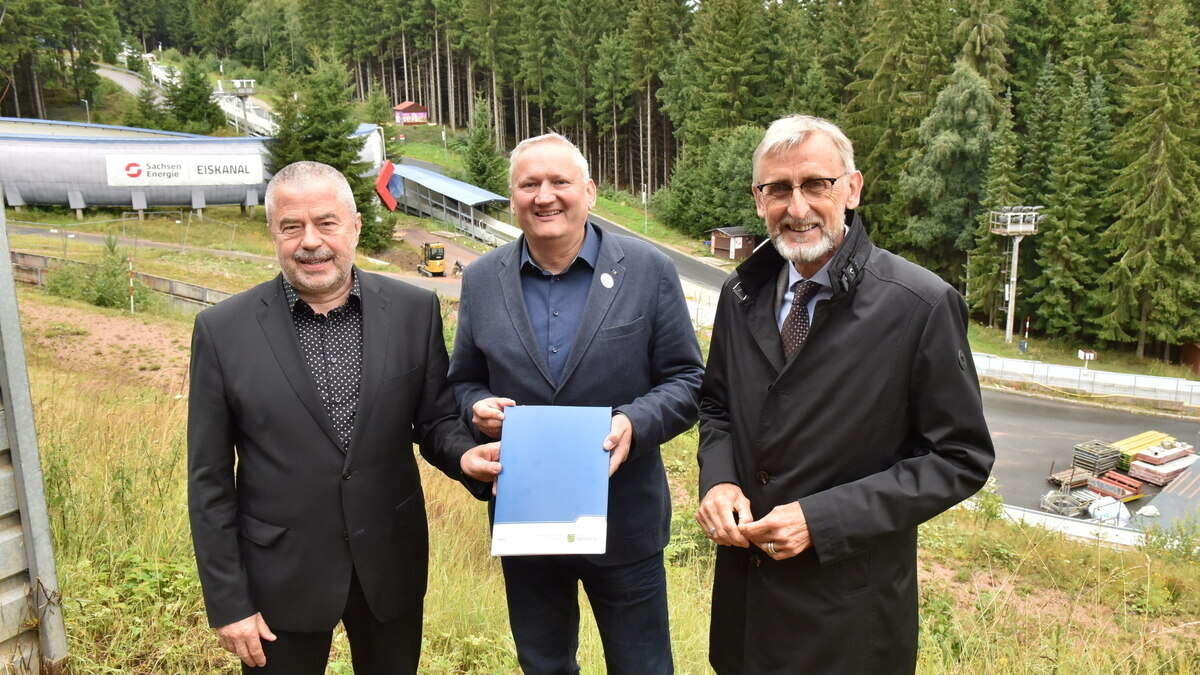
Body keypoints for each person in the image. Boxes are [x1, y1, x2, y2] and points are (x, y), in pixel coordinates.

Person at [695, 114, 995, 674]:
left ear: (852, 188)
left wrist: (821, 519)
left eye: (816, 183)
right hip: (745, 608)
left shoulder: (920, 305)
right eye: (778, 188)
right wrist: (720, 480)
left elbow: (961, 458)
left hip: (850, 621)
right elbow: (717, 408)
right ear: (758, 199)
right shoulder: (742, 293)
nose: (798, 206)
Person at [187, 161, 492, 673]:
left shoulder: (414, 310)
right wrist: (229, 602)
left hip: (390, 566)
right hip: (279, 577)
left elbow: (436, 421)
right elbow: (209, 480)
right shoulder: (222, 331)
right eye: (292, 227)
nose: (311, 241)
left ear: (353, 226)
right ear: (273, 234)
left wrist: (468, 456)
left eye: (326, 223)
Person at [450, 133, 704, 674]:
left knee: (643, 666)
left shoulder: (648, 270)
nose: (545, 196)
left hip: (623, 517)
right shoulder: (479, 280)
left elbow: (688, 380)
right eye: (529, 184)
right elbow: (463, 382)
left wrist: (634, 423)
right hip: (526, 518)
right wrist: (479, 409)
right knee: (543, 664)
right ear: (512, 195)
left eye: (559, 182)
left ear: (587, 191)